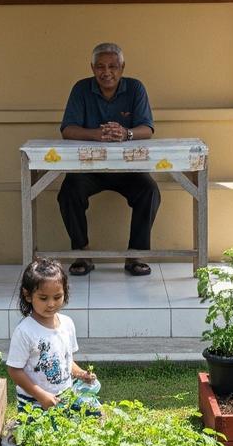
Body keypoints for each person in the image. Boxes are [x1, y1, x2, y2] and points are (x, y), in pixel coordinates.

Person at [58, 42, 158, 277]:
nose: (107, 72)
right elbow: (67, 129)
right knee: (68, 191)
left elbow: (148, 128)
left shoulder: (135, 88)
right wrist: (96, 134)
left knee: (150, 190)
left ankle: (135, 254)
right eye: (101, 66)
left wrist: (126, 133)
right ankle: (82, 253)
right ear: (92, 68)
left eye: (113, 66)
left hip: (128, 169)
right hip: (88, 169)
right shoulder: (81, 89)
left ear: (122, 67)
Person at [2, 258, 97, 446]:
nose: (51, 304)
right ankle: (19, 430)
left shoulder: (67, 324)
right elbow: (14, 370)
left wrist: (81, 374)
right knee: (45, 442)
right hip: (34, 400)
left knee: (93, 412)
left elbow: (66, 361)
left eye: (57, 297)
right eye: (43, 298)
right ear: (28, 296)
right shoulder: (26, 331)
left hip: (64, 395)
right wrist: (42, 395)